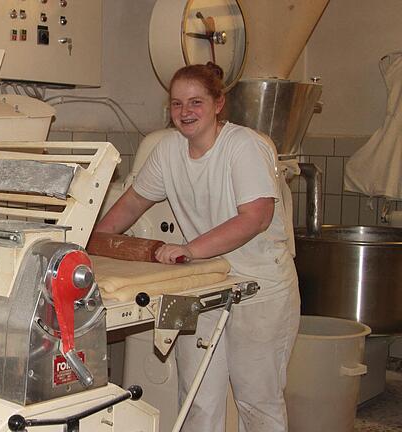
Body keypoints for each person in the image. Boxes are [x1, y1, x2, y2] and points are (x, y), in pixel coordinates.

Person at [94, 63, 300, 432]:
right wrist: (93, 242)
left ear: (218, 103)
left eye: (195, 102)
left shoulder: (243, 146)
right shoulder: (168, 149)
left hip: (258, 288)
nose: (185, 112)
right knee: (197, 398)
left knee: (257, 400)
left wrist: (189, 249)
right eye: (176, 104)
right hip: (200, 287)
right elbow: (131, 204)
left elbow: (255, 217)